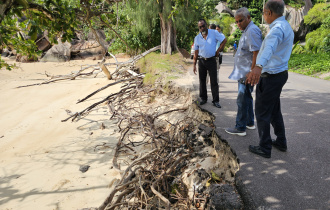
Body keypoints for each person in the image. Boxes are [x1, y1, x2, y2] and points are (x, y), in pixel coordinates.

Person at [246, 0, 294, 158]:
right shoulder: (285, 26)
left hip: (271, 76)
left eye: (264, 12)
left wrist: (258, 66)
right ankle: (281, 141)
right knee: (274, 110)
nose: (263, 15)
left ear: (269, 13)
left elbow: (269, 49)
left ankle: (264, 147)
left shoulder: (276, 30)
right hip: (279, 74)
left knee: (261, 112)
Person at [225, 7, 262, 136]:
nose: (238, 24)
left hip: (247, 73)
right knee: (246, 97)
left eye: (240, 20)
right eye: (236, 22)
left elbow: (256, 53)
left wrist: (251, 72)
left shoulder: (252, 31)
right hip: (244, 72)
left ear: (248, 18)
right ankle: (249, 122)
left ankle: (240, 127)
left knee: (242, 99)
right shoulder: (247, 30)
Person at [193, 19, 227, 108]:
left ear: (206, 24)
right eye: (200, 27)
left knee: (214, 81)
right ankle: (203, 98)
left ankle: (216, 100)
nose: (202, 28)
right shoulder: (197, 38)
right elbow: (196, 52)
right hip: (201, 61)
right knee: (202, 81)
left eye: (203, 26)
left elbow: (224, 40)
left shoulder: (214, 33)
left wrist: (218, 51)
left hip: (212, 60)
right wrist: (194, 65)